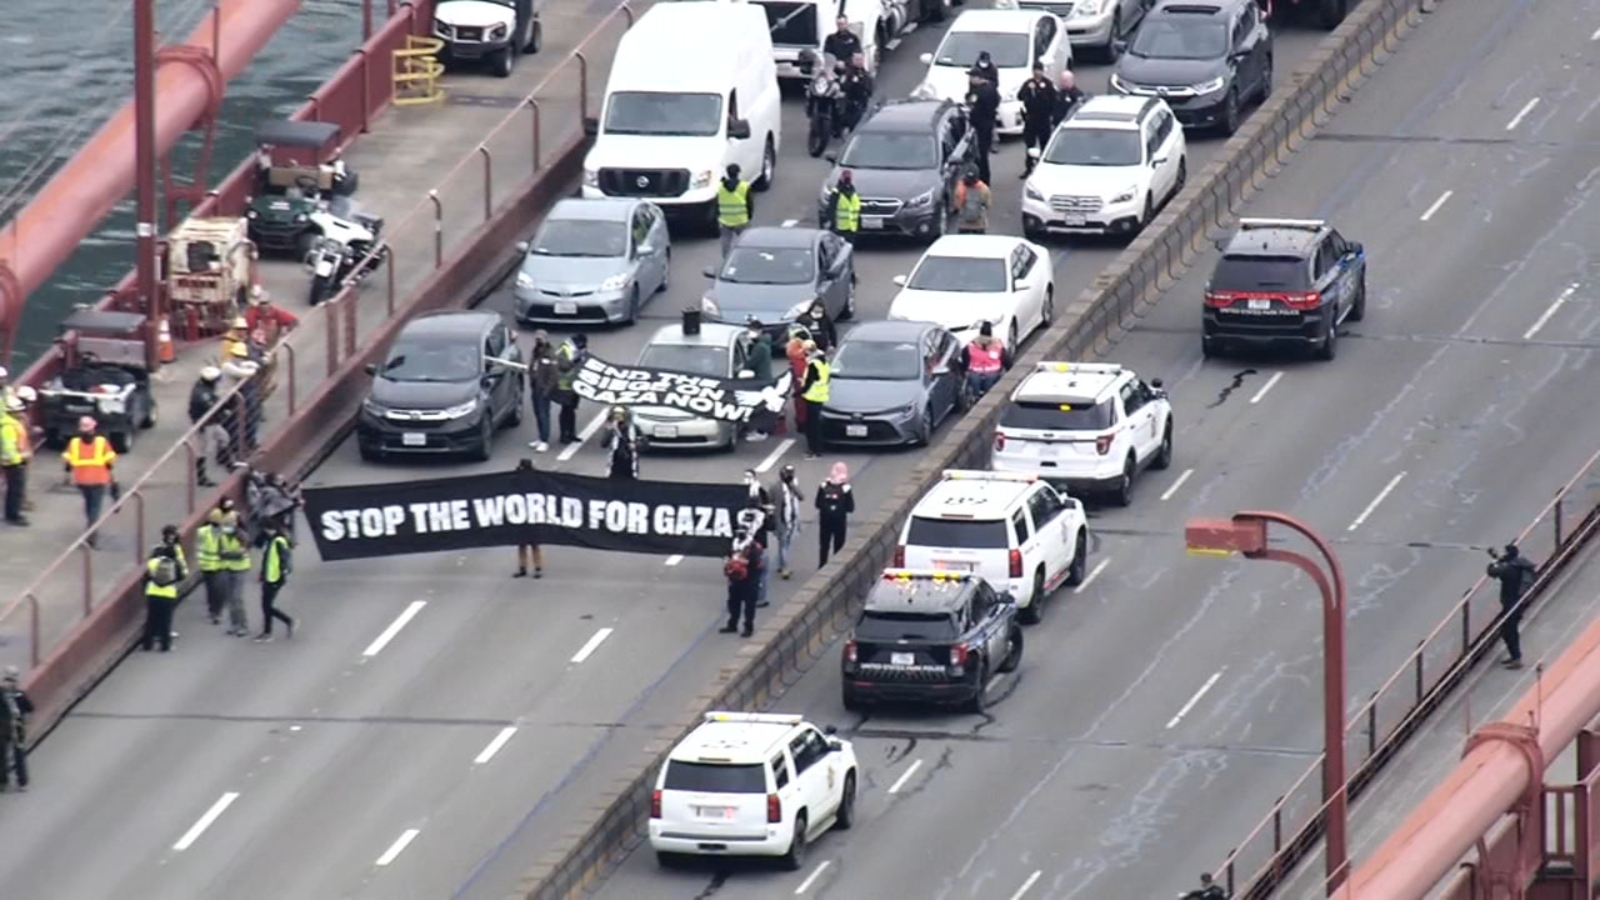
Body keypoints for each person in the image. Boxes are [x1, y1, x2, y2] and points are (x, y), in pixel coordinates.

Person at [62, 416, 116, 546]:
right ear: (93, 428)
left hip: (82, 480)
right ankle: (92, 535)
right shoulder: (102, 442)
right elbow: (110, 459)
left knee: (89, 505)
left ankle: (91, 527)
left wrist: (67, 475)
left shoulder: (74, 443)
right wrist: (110, 472)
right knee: (95, 508)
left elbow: (67, 460)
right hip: (99, 479)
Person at [1488, 543, 1538, 670]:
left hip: (1512, 605)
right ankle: (1515, 656)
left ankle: (1516, 658)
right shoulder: (1519, 565)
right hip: (1517, 603)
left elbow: (1492, 571)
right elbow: (1503, 564)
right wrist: (1497, 557)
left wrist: (1493, 560)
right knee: (1508, 629)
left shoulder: (1509, 570)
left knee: (1509, 631)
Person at [141, 537, 187, 653]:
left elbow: (146, 578)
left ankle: (147, 645)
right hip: (168, 595)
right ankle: (165, 645)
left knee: (151, 620)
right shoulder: (174, 563)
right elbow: (181, 576)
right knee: (166, 621)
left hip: (152, 594)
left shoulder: (152, 563)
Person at [188, 366, 228, 486]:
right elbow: (212, 406)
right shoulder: (202, 394)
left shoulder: (203, 387)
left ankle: (223, 459)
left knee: (224, 438)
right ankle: (201, 477)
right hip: (204, 424)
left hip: (213, 422)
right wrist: (223, 408)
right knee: (202, 451)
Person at [257, 521, 296, 642]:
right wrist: (263, 573)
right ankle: (268, 631)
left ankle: (285, 623)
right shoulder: (270, 540)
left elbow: (285, 558)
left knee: (267, 606)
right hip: (269, 576)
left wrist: (283, 572)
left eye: (267, 530)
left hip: (275, 578)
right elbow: (266, 557)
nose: (266, 532)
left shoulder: (278, 541)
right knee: (266, 606)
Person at [722, 526, 763, 638]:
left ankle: (748, 627)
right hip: (735, 579)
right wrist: (728, 562)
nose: (739, 535)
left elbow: (754, 562)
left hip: (750, 579)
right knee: (733, 602)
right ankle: (732, 624)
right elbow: (727, 555)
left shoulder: (753, 546)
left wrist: (740, 561)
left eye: (742, 533)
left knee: (749, 605)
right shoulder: (734, 543)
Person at [1018, 63, 1057, 175]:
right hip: (1031, 118)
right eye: (1035, 70)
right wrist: (1028, 91)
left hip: (1044, 119)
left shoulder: (1048, 84)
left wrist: (1051, 114)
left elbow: (1054, 98)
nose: (1037, 73)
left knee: (1045, 144)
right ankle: (1029, 168)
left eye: (1039, 70)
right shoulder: (1028, 83)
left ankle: (1044, 167)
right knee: (1030, 144)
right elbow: (1020, 96)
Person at [525, 330, 560, 452]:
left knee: (544, 414)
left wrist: (547, 389)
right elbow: (533, 366)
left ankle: (545, 440)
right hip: (535, 387)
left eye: (540, 339)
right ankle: (540, 438)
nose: (538, 341)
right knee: (538, 413)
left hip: (544, 389)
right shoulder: (536, 352)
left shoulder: (550, 354)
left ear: (546, 339)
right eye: (537, 339)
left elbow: (553, 375)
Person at [218, 516, 252, 637]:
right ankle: (234, 625)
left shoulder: (242, 535)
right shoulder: (222, 536)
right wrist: (231, 554)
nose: (226, 526)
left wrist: (229, 554)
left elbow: (242, 554)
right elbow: (220, 553)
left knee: (237, 598)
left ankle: (243, 626)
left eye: (229, 523)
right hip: (228, 568)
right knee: (230, 599)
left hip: (240, 569)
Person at [815, 461, 855, 567]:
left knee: (824, 545)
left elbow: (817, 504)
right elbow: (851, 508)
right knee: (839, 545)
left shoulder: (823, 486)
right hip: (839, 521)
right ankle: (836, 566)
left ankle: (822, 565)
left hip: (825, 520)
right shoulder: (846, 488)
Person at [0, 668, 33, 792]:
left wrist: (25, 723)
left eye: (12, 680)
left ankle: (22, 780)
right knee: (1, 754)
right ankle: (2, 781)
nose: (9, 683)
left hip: (17, 726)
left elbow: (30, 709)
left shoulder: (20, 695)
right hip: (3, 727)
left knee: (18, 753)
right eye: (7, 679)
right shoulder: (1, 694)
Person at [965, 72, 1001, 184]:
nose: (970, 79)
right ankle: (983, 177)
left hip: (981, 124)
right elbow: (997, 100)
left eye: (972, 77)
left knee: (981, 153)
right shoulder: (991, 87)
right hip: (989, 122)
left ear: (978, 78)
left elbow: (972, 104)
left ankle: (983, 178)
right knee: (983, 151)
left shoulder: (980, 91)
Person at [512, 458, 545, 578]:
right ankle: (537, 568)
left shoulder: (515, 478)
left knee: (522, 545)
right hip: (533, 516)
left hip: (520, 516)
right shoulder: (538, 478)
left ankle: (522, 567)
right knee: (534, 545)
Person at [1, 392, 30, 526]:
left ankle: (12, 514)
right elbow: (9, 448)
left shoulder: (11, 424)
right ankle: (13, 515)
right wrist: (19, 460)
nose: (21, 413)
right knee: (15, 490)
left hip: (13, 461)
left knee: (14, 490)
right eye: (19, 411)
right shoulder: (9, 426)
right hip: (14, 463)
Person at [744, 320, 776, 441]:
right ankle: (760, 430)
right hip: (765, 378)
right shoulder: (764, 344)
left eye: (752, 330)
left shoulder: (760, 347)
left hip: (760, 379)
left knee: (759, 407)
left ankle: (760, 431)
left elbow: (751, 363)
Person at [197, 507, 230, 624]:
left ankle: (216, 612)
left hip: (217, 565)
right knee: (212, 590)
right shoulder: (204, 532)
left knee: (217, 590)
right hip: (209, 565)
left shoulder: (220, 532)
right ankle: (214, 611)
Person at [961, 321, 1009, 399]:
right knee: (977, 381)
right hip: (982, 372)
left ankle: (979, 397)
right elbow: (1007, 361)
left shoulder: (997, 346)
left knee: (983, 381)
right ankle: (978, 397)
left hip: (987, 373)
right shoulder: (998, 346)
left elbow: (965, 359)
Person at [799, 341, 831, 460]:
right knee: (816, 425)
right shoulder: (824, 362)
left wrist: (801, 391)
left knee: (812, 426)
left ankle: (814, 451)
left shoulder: (813, 364)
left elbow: (809, 382)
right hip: (821, 396)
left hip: (812, 397)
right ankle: (817, 449)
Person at [555, 333, 589, 444]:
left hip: (575, 384)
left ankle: (571, 433)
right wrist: (575, 361)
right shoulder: (565, 348)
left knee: (572, 410)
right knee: (566, 410)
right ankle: (563, 435)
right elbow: (562, 365)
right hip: (564, 385)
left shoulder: (580, 350)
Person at [771, 464, 803, 580]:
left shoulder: (793, 485)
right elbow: (772, 505)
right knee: (783, 544)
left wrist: (792, 486)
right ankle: (784, 567)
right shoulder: (776, 488)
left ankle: (781, 564)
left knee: (786, 544)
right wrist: (777, 524)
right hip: (782, 520)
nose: (790, 476)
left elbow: (801, 497)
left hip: (792, 519)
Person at [716, 163, 753, 260]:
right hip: (741, 220)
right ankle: (746, 260)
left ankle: (726, 262)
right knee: (746, 242)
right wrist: (749, 216)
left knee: (725, 243)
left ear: (728, 173)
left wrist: (718, 215)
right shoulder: (744, 186)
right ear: (738, 173)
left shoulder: (720, 187)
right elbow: (750, 203)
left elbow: (717, 203)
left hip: (725, 220)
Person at [822, 169, 861, 244]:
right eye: (846, 177)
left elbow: (856, 210)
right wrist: (832, 223)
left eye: (849, 177)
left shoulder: (853, 191)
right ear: (841, 178)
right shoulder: (837, 192)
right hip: (839, 229)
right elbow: (831, 209)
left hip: (851, 229)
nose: (847, 179)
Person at [786, 328, 811, 435]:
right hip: (803, 381)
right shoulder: (802, 354)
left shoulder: (794, 351)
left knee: (800, 403)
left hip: (799, 381)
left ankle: (801, 422)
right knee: (803, 403)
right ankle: (803, 423)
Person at [840, 53, 874, 132]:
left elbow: (869, 85)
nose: (859, 62)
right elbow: (844, 86)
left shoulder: (864, 72)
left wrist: (868, 90)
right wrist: (853, 82)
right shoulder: (848, 73)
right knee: (854, 121)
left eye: (861, 60)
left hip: (863, 100)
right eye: (857, 60)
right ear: (853, 60)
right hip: (851, 101)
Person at [603, 406, 640, 480]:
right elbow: (603, 444)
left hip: (629, 461)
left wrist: (635, 445)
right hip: (615, 461)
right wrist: (610, 431)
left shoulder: (634, 428)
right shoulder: (612, 428)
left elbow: (645, 443)